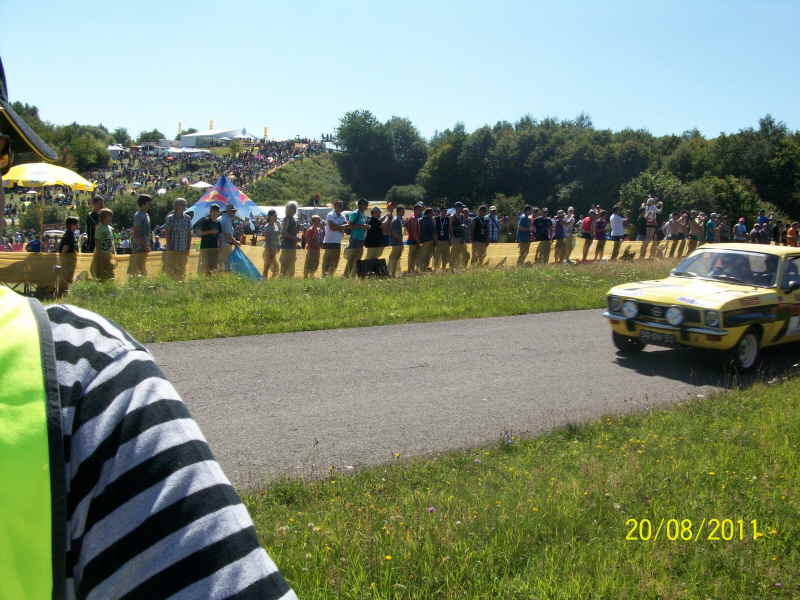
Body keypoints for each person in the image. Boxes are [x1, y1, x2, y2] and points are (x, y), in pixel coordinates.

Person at [163, 197, 192, 281]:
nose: (183, 207)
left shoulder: (188, 218)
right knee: (172, 268)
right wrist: (169, 247)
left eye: (184, 205)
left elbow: (189, 234)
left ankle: (181, 282)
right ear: (176, 206)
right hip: (173, 248)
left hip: (183, 248)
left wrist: (188, 247)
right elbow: (167, 233)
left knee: (182, 267)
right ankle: (172, 284)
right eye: (181, 205)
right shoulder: (170, 218)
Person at [128, 194, 152, 277]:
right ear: (144, 203)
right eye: (149, 203)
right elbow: (137, 232)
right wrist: (144, 245)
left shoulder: (146, 215)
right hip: (139, 245)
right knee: (137, 267)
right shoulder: (138, 215)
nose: (150, 205)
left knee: (142, 265)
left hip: (145, 243)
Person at [343, 198, 368, 277]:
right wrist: (362, 226)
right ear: (360, 205)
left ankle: (353, 275)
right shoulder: (355, 213)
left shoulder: (363, 214)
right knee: (351, 258)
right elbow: (349, 225)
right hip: (354, 239)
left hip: (361, 239)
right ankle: (346, 275)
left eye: (367, 205)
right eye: (365, 205)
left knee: (358, 258)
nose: (366, 207)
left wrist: (366, 227)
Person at [322, 200, 347, 276]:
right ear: (334, 206)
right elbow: (332, 227)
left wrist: (339, 227)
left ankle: (330, 275)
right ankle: (324, 275)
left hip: (337, 241)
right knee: (327, 260)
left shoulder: (343, 216)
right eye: (338, 205)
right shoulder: (330, 215)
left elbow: (346, 226)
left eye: (340, 206)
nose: (339, 207)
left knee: (335, 260)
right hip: (329, 241)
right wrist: (341, 227)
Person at [91, 207, 116, 281]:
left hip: (108, 254)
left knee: (110, 273)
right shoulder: (100, 228)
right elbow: (97, 241)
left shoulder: (109, 228)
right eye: (109, 216)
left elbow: (112, 240)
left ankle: (110, 287)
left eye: (111, 216)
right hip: (101, 254)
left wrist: (113, 251)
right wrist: (99, 254)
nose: (111, 218)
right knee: (101, 273)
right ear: (103, 217)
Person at [197, 204, 222, 275]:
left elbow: (219, 235)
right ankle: (203, 281)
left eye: (217, 211)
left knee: (213, 266)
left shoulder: (218, 223)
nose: (215, 213)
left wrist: (219, 246)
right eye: (213, 211)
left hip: (215, 247)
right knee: (205, 266)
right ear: (210, 212)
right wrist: (210, 231)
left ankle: (210, 282)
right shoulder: (205, 221)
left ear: (218, 212)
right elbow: (199, 233)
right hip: (205, 247)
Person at [57, 216, 79, 295]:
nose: (77, 226)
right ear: (72, 225)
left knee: (67, 279)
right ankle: (62, 294)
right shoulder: (69, 235)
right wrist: (63, 260)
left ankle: (63, 294)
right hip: (67, 261)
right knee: (65, 278)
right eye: (76, 224)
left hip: (68, 260)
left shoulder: (69, 234)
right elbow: (65, 248)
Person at [279, 201, 300, 277]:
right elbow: (283, 233)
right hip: (286, 247)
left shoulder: (292, 219)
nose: (294, 210)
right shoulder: (287, 219)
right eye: (293, 208)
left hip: (291, 247)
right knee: (285, 267)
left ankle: (288, 283)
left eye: (295, 208)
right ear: (288, 209)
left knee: (291, 267)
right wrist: (295, 238)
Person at [218, 203, 241, 269]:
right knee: (226, 265)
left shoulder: (221, 218)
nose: (234, 213)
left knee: (220, 264)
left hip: (220, 244)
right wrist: (236, 242)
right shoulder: (227, 220)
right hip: (225, 245)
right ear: (228, 211)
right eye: (232, 211)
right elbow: (228, 235)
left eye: (234, 211)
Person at [387, 204, 405, 277]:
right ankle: (390, 273)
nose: (404, 212)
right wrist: (401, 242)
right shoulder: (396, 220)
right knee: (393, 259)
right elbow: (394, 233)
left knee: (396, 259)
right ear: (399, 211)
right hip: (396, 243)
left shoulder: (398, 219)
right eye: (403, 211)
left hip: (397, 243)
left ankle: (393, 274)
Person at [262, 209, 281, 278]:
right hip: (269, 250)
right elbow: (267, 240)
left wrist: (278, 246)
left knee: (275, 268)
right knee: (267, 267)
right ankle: (264, 281)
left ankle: (268, 281)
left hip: (274, 249)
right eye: (275, 216)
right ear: (270, 216)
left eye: (276, 216)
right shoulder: (267, 226)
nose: (276, 217)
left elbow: (278, 236)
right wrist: (271, 252)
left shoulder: (276, 224)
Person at [404, 202, 422, 274]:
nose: (421, 211)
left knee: (413, 256)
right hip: (413, 241)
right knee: (412, 257)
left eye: (421, 210)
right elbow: (414, 233)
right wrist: (419, 242)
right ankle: (411, 270)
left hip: (413, 240)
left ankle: (412, 270)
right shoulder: (414, 218)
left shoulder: (413, 217)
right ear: (415, 210)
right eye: (419, 210)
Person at [449, 203, 468, 269]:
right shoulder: (452, 216)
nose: (462, 208)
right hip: (455, 237)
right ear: (457, 208)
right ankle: (452, 267)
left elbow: (463, 225)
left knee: (464, 253)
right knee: (454, 253)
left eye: (462, 207)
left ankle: (460, 267)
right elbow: (450, 227)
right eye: (461, 207)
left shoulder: (462, 216)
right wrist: (452, 237)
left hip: (462, 237)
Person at [418, 207, 436, 271]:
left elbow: (419, 231)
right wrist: (435, 241)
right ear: (429, 213)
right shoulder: (430, 220)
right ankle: (423, 268)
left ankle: (423, 268)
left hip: (423, 240)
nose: (433, 214)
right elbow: (433, 231)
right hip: (429, 240)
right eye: (432, 213)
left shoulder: (420, 220)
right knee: (427, 255)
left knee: (424, 255)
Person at [434, 206, 451, 270]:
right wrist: (436, 240)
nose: (444, 212)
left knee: (445, 255)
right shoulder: (436, 219)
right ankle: (436, 268)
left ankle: (443, 268)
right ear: (440, 212)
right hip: (439, 240)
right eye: (443, 211)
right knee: (437, 255)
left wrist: (450, 239)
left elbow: (449, 229)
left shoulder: (448, 219)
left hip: (446, 240)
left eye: (445, 211)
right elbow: (435, 230)